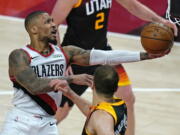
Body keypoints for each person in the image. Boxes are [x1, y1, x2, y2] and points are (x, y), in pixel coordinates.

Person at [0, 11, 167, 135]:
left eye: (53, 21)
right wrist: (71, 78)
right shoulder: (20, 56)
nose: (53, 25)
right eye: (47, 22)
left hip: (47, 125)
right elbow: (34, 86)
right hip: (20, 121)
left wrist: (144, 55)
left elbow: (105, 56)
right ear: (34, 29)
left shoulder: (65, 53)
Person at [51, 0, 178, 135]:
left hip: (104, 54)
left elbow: (132, 5)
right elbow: (52, 25)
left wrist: (159, 21)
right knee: (61, 111)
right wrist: (62, 58)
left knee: (127, 97)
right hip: (79, 58)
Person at [58, 65, 128, 135]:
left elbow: (100, 119)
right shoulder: (119, 104)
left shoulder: (101, 119)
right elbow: (93, 112)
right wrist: (70, 94)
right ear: (116, 88)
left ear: (92, 84)